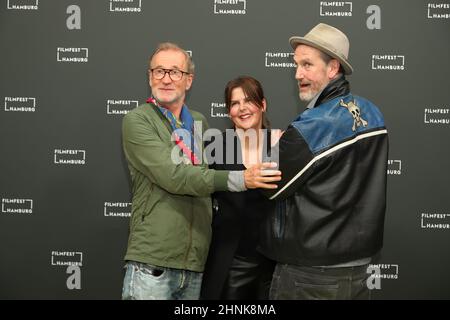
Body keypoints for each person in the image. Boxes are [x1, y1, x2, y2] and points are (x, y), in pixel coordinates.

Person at [120, 42, 281, 300]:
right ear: (150, 76)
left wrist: (269, 144)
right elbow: (176, 176)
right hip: (153, 263)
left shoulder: (198, 123)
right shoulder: (138, 120)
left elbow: (207, 176)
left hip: (195, 266)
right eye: (159, 71)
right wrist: (243, 179)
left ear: (189, 80)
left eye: (175, 72)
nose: (166, 78)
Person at [259, 23, 389, 300]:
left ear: (333, 68)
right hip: (358, 271)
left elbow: (268, 184)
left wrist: (271, 148)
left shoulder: (313, 125)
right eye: (296, 65)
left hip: (310, 275)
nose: (298, 74)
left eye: (307, 65)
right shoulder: (373, 113)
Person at [201, 76, 279, 300]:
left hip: (274, 264)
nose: (242, 108)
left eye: (249, 101)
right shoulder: (215, 147)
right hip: (230, 263)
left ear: (262, 105)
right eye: (235, 103)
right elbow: (196, 186)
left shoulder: (281, 145)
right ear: (228, 112)